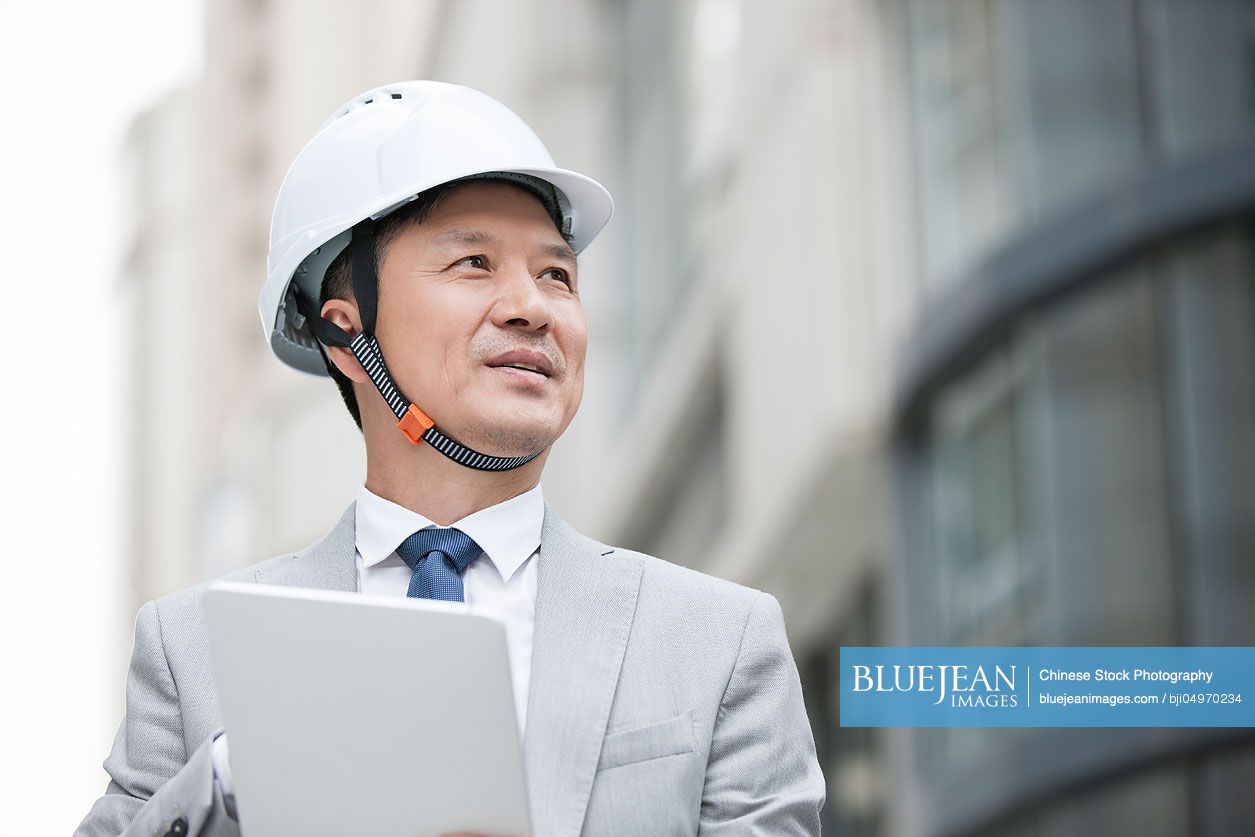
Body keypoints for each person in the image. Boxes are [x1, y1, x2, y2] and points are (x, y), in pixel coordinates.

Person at [77, 80, 824, 837]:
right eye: (473, 262)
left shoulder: (721, 641)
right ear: (347, 336)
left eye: (556, 274)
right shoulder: (193, 650)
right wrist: (236, 777)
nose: (531, 306)